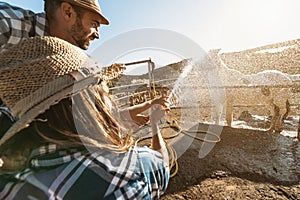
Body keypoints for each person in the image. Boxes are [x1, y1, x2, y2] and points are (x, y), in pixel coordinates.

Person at [0, 36, 170, 199]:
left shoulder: (14, 183)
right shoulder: (125, 171)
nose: (110, 99)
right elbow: (161, 163)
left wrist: (149, 104)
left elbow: (112, 115)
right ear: (87, 104)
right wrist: (155, 124)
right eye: (105, 92)